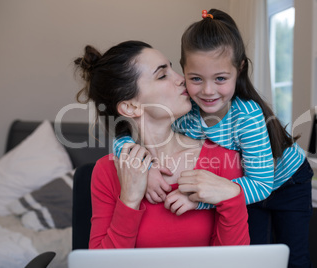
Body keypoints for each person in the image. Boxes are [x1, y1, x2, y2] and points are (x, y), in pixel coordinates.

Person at [113, 9, 313, 267]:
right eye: (196, 79)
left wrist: (198, 199)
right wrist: (143, 162)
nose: (208, 91)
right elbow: (127, 133)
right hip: (244, 182)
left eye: (220, 78)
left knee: (294, 256)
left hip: (287, 182)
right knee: (255, 254)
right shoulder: (186, 111)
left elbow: (262, 185)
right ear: (184, 72)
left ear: (239, 70)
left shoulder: (247, 116)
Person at [73, 40, 250, 248]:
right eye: (162, 75)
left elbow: (233, 261)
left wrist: (232, 197)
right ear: (130, 107)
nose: (182, 79)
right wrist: (129, 200)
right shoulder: (107, 171)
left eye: (172, 69)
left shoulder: (222, 157)